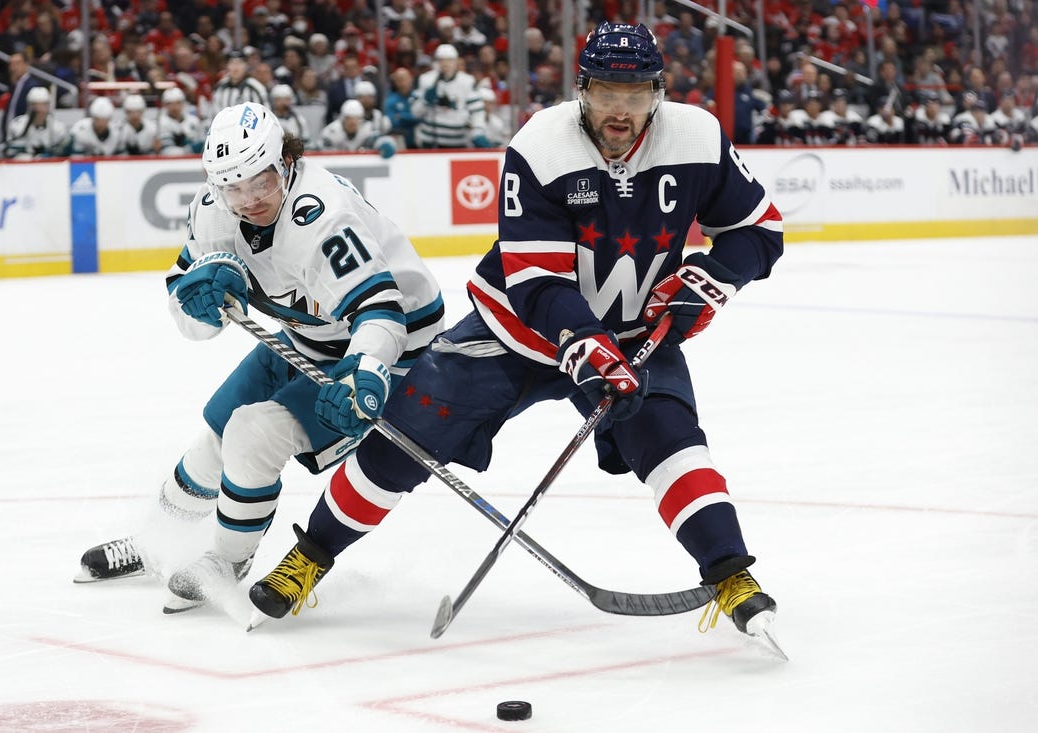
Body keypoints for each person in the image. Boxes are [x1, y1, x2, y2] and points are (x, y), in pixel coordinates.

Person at [244, 23, 785, 648]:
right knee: (406, 435)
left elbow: (758, 229)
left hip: (633, 334)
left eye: (637, 95)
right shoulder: (541, 147)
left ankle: (731, 575)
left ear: (658, 92)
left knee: (671, 439)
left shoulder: (698, 138)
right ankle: (310, 556)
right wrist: (582, 341)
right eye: (607, 91)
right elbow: (535, 281)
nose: (621, 110)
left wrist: (713, 276)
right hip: (514, 331)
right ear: (582, 89)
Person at [74, 102, 446, 613]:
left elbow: (382, 311)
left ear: (286, 163)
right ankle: (158, 543)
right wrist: (201, 305)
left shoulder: (321, 216)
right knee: (216, 435)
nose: (248, 201)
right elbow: (186, 314)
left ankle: (227, 560)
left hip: (391, 348)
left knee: (253, 433)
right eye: (234, 188)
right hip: (310, 332)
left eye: (261, 182)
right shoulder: (213, 205)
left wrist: (368, 370)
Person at [411, 44, 489, 148]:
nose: (445, 64)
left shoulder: (467, 81)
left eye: (449, 60)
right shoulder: (426, 80)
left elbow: (477, 110)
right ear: (436, 62)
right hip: (430, 141)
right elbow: (415, 112)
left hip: (458, 141)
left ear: (456, 62)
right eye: (442, 60)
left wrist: (478, 130)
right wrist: (425, 101)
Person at [4, 85, 68, 159]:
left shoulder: (58, 127)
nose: (39, 108)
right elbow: (11, 152)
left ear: (48, 106)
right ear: (28, 106)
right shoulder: (17, 125)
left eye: (43, 104)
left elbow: (63, 153)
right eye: (34, 104)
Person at [157, 86, 203, 156]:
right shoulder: (161, 123)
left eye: (177, 103)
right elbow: (166, 151)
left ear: (182, 103)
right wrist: (190, 149)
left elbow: (202, 144)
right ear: (165, 105)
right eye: (170, 103)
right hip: (172, 163)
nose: (174, 107)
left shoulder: (194, 120)